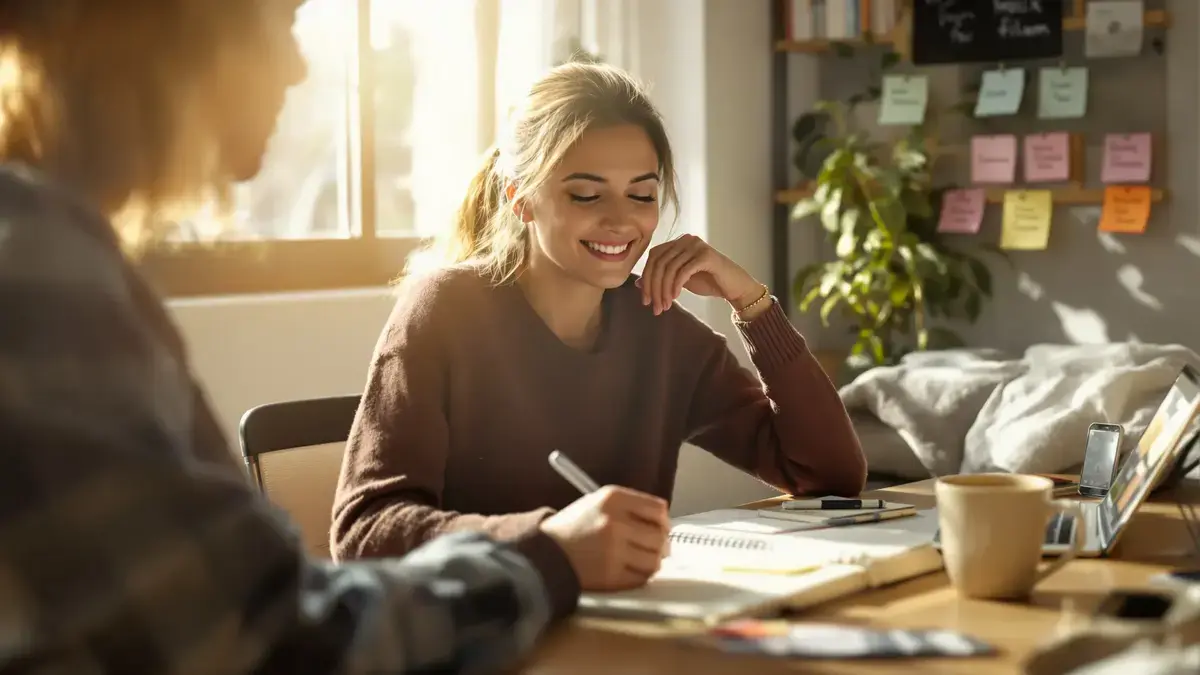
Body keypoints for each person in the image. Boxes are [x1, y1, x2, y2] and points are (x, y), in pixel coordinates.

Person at [0, 3, 666, 672]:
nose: (296, 67)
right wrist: (546, 557)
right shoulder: (35, 269)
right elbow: (273, 638)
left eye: (643, 193)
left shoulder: (58, 255)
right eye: (283, 22)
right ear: (179, 30)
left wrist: (752, 304)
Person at [330, 60, 868, 584]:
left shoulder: (659, 328)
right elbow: (362, 533)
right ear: (521, 199)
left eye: (642, 195)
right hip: (476, 639)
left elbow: (826, 474)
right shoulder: (444, 311)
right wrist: (551, 543)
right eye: (586, 194)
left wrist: (752, 302)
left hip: (620, 634)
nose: (620, 220)